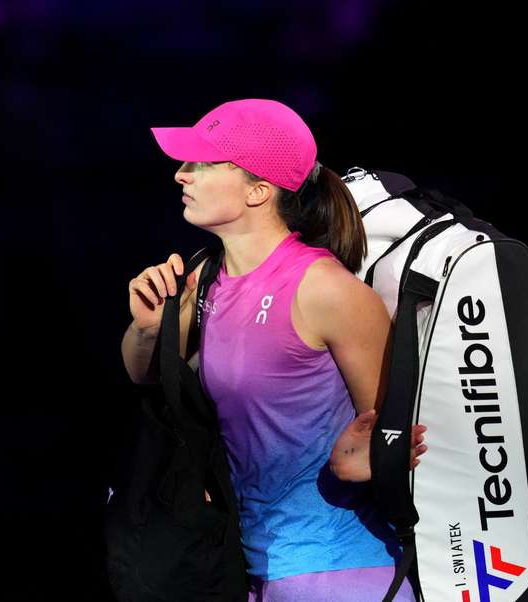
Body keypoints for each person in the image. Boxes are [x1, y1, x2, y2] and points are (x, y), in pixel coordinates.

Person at [121, 98, 427, 602]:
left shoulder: (326, 289)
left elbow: (392, 435)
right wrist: (149, 326)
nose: (181, 175)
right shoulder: (204, 276)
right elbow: (144, 375)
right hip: (251, 571)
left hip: (340, 573)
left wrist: (360, 463)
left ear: (259, 190)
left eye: (202, 163)